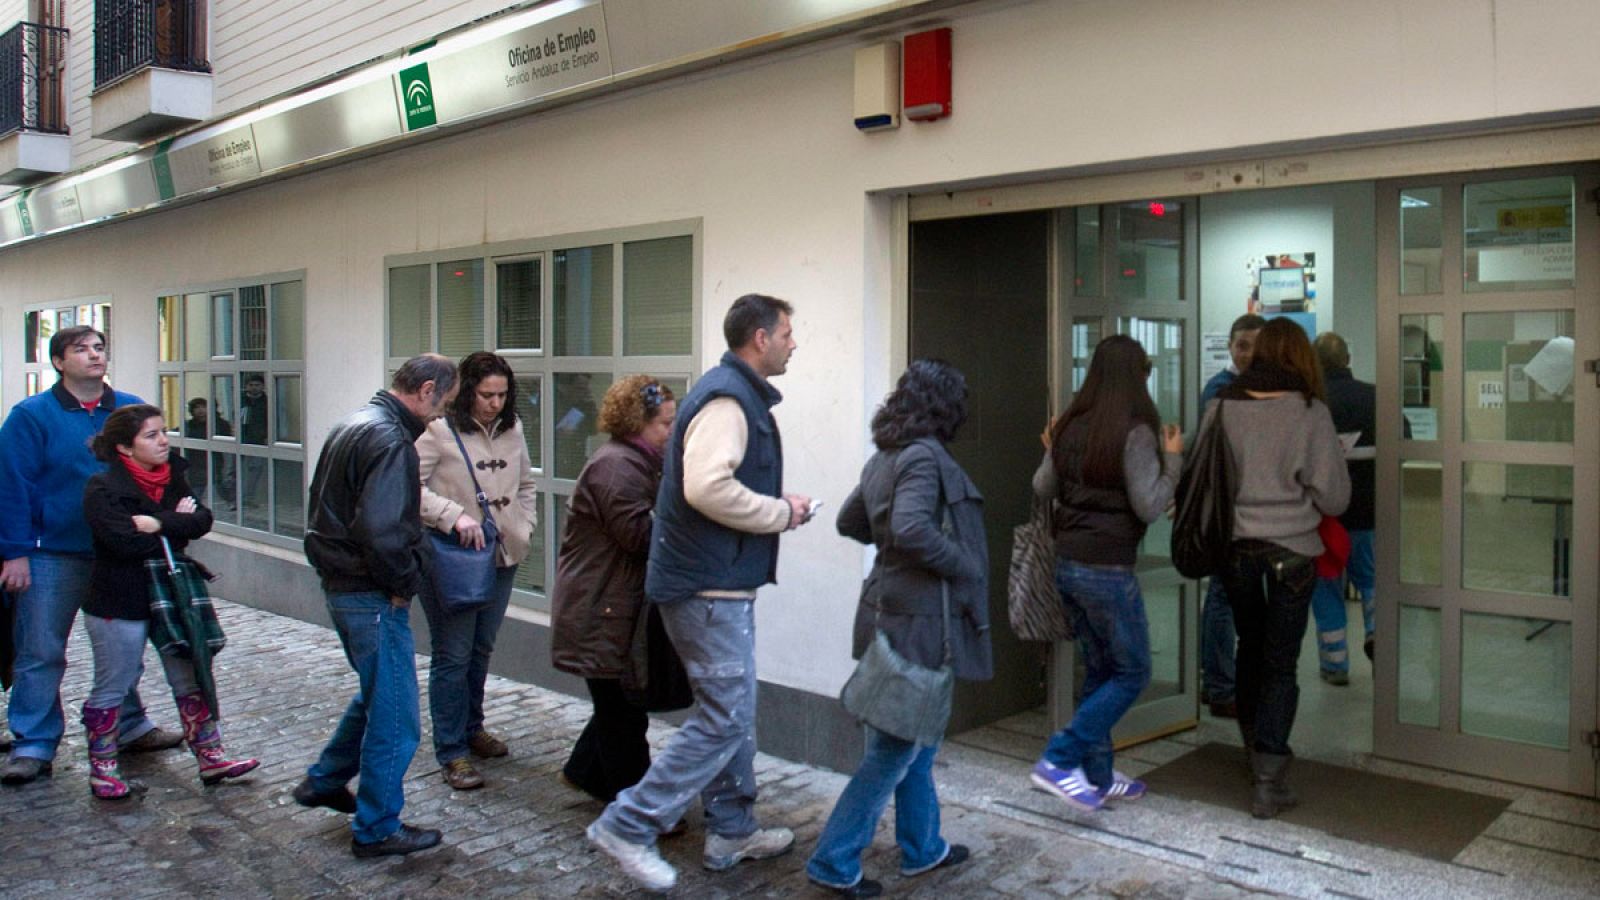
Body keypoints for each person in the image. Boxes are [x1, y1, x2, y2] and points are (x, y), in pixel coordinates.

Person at [586, 293, 813, 892]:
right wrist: (780, 514)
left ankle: (732, 829)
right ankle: (628, 824)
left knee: (733, 714)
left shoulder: (735, 395)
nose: (795, 343)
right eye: (788, 333)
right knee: (724, 716)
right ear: (759, 339)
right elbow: (707, 488)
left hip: (719, 585)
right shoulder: (727, 400)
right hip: (706, 588)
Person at [805, 360, 992, 897]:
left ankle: (922, 846)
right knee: (893, 747)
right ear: (946, 407)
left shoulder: (886, 455)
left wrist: (891, 541)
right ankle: (834, 860)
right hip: (918, 622)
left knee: (917, 738)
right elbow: (910, 527)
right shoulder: (923, 458)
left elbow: (851, 521)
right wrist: (959, 560)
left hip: (886, 610)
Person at [0, 326, 184, 786]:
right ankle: (33, 742)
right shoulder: (32, 416)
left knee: (123, 648)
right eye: (80, 349)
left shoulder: (127, 409)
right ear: (59, 362)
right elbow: (12, 486)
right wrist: (15, 553)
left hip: (119, 551)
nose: (93, 355)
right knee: (40, 650)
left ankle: (128, 724)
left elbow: (157, 468)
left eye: (99, 347)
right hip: (54, 552)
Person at [294, 354, 457, 858]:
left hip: (346, 582)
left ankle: (325, 779)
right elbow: (383, 530)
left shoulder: (356, 423)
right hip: (369, 591)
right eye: (443, 405)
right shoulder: (389, 439)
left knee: (378, 693)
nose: (440, 417)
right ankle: (378, 826)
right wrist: (403, 583)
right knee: (395, 714)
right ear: (426, 389)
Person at [1029, 335, 1182, 813]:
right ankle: (1059, 759)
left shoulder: (1072, 424)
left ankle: (1097, 775)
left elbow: (1041, 486)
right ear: (1137, 376)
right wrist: (1173, 458)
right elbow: (1150, 503)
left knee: (1101, 669)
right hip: (1108, 569)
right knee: (1134, 671)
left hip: (1069, 563)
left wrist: (1052, 448)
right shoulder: (1135, 432)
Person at [79, 404, 259, 799]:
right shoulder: (102, 488)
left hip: (172, 593)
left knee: (189, 673)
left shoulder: (173, 476)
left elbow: (201, 521)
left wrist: (160, 523)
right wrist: (173, 525)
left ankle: (211, 757)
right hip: (117, 598)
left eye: (163, 432)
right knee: (115, 681)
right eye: (151, 435)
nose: (163, 441)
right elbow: (121, 541)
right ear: (125, 448)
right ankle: (103, 769)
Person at [1210, 318, 1349, 819]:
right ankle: (1269, 776)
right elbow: (1335, 494)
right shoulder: (1309, 412)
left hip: (1235, 549)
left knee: (1249, 646)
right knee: (1280, 660)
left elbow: (1206, 478)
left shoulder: (1221, 405)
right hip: (1293, 552)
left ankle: (1252, 750)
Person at [551, 376, 678, 801]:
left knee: (618, 703)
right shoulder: (617, 466)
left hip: (611, 602)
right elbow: (641, 536)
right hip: (601, 605)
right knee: (621, 713)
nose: (671, 432)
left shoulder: (640, 461)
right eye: (664, 423)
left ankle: (584, 772)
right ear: (636, 423)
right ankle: (634, 806)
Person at [415, 352, 538, 791]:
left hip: (503, 552)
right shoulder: (438, 431)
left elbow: (525, 483)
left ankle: (472, 726)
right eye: (487, 394)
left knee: (482, 647)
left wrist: (524, 525)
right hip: (454, 557)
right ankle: (451, 751)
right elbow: (409, 487)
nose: (495, 404)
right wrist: (452, 515)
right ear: (468, 391)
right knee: (453, 653)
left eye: (503, 395)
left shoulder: (513, 428)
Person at [1310, 332, 1393, 681]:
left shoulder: (1310, 402)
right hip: (1368, 511)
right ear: (1347, 359)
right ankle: (1378, 634)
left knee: (1326, 587)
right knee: (1373, 581)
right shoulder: (1376, 397)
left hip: (1323, 518)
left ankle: (1335, 664)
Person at [1197, 313, 1265, 720]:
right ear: (1230, 346)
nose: (1248, 354)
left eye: (1256, 345)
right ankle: (1220, 687)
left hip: (1251, 511)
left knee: (1232, 597)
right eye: (1242, 345)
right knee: (1222, 596)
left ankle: (1224, 682)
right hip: (1226, 511)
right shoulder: (1220, 389)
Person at [183, 397, 233, 502]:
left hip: (215, 461)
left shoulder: (220, 424)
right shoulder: (188, 425)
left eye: (204, 407)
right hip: (195, 462)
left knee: (221, 485)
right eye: (197, 407)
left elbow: (227, 444)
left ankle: (234, 503)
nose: (201, 410)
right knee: (196, 489)